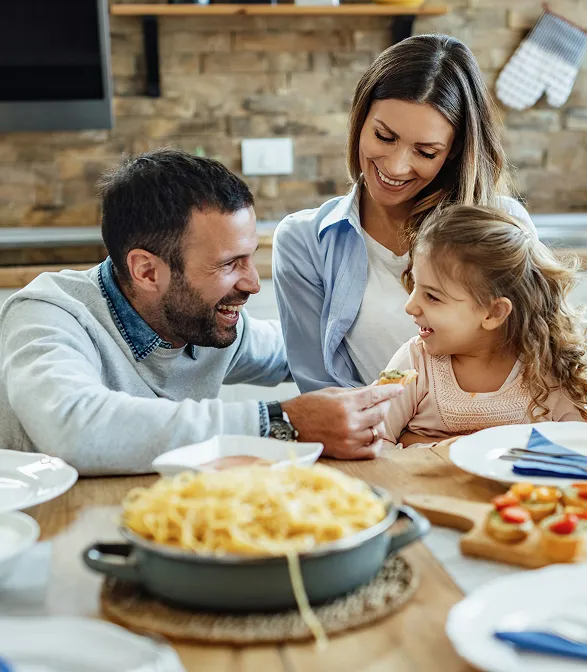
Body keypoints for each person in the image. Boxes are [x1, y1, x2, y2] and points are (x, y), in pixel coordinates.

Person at [0, 149, 403, 475]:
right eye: (229, 264)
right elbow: (74, 429)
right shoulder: (47, 314)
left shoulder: (210, 324)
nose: (252, 283)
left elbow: (313, 352)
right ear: (146, 270)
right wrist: (280, 422)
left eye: (250, 258)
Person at [273, 34, 536, 394]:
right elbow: (323, 394)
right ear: (360, 119)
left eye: (426, 152)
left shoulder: (505, 227)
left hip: (491, 442)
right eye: (384, 136)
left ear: (454, 152)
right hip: (378, 443)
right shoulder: (305, 242)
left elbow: (543, 355)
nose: (396, 167)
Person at [382, 204, 587, 448]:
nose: (410, 306)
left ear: (493, 313)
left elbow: (576, 449)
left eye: (433, 297)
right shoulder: (414, 362)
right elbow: (375, 441)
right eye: (415, 285)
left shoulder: (544, 369)